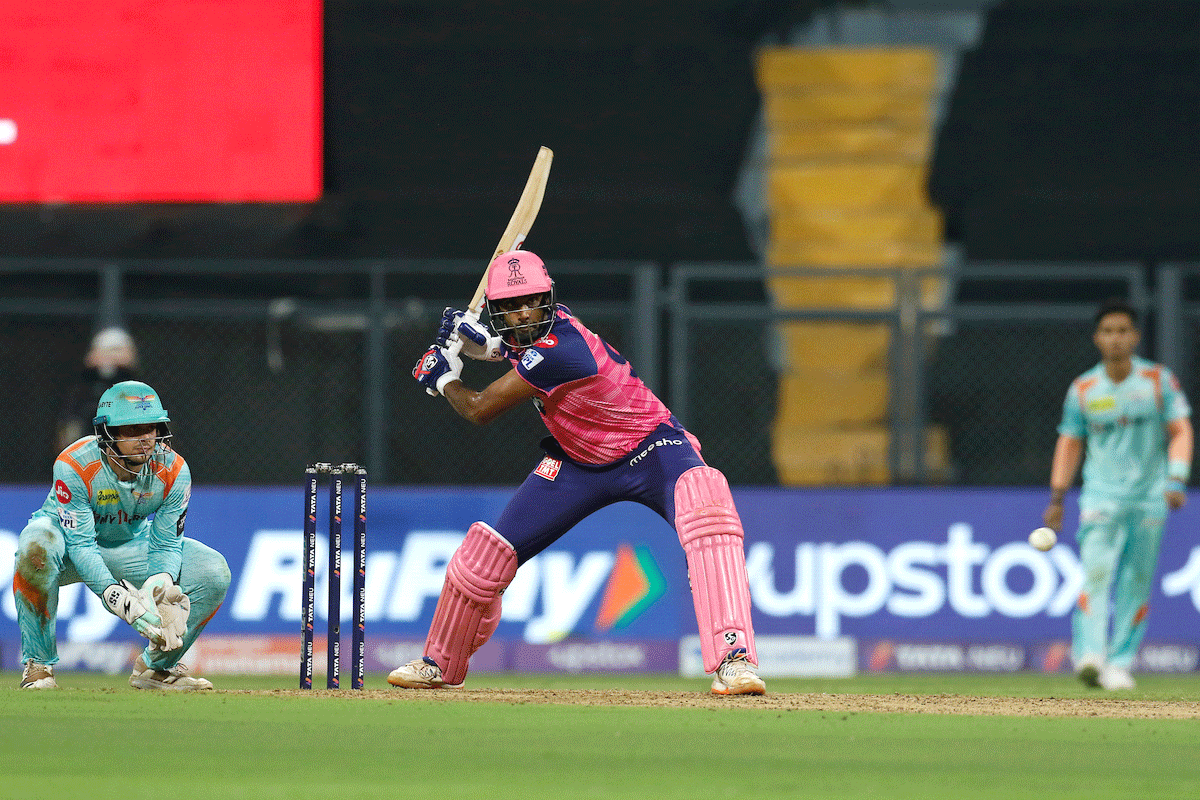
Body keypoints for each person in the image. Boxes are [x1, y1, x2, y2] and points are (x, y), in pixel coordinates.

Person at [392, 249, 765, 695]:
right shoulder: (541, 337)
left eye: (530, 301)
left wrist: (444, 378)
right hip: (578, 462)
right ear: (495, 312)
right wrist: (486, 346)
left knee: (707, 505)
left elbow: (478, 408)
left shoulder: (562, 350)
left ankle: (734, 660)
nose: (522, 313)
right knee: (483, 557)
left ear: (548, 298)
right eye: (509, 307)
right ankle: (438, 663)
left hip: (651, 446)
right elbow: (519, 349)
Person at [14, 380, 231, 690]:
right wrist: (116, 597)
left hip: (128, 543)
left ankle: (156, 668)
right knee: (35, 546)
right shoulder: (74, 464)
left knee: (213, 571)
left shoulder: (174, 470)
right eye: (131, 430)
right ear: (107, 433)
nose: (145, 439)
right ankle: (39, 666)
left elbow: (167, 542)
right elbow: (81, 544)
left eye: (151, 428)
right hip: (65, 542)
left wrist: (161, 583)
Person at [1043, 298, 1193, 691]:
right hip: (1100, 498)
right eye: (1108, 332)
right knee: (1096, 575)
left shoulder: (1159, 381)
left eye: (1123, 331)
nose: (1116, 339)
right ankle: (1090, 656)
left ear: (1135, 336)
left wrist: (1176, 479)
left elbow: (1180, 430)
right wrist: (1058, 496)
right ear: (1097, 338)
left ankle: (1120, 663)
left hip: (1149, 499)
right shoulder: (1084, 389)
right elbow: (1069, 441)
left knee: (1136, 582)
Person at [56, 326, 142, 454]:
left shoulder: (138, 389)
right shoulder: (81, 392)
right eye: (104, 351)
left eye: (116, 350)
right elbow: (66, 434)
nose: (110, 357)